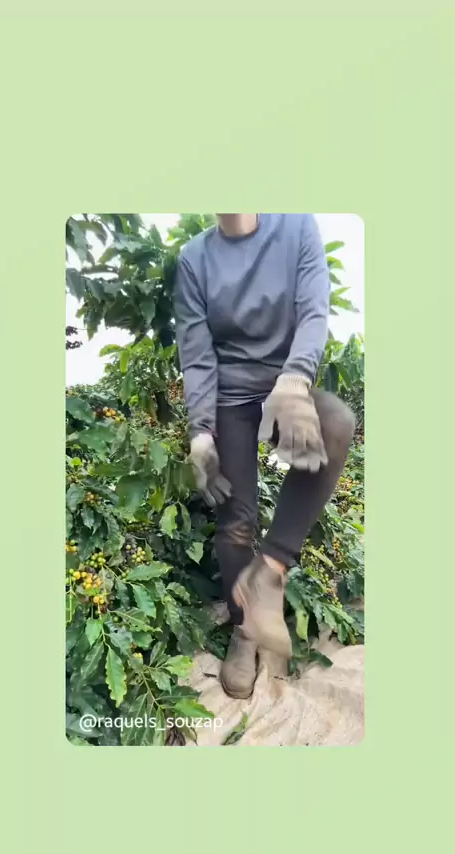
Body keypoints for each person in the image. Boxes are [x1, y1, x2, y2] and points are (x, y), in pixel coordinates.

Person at [173, 213, 355, 699]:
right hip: (231, 400)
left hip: (283, 390)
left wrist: (295, 380)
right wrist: (201, 432)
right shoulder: (194, 259)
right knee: (236, 521)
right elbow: (197, 355)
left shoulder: (296, 229)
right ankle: (244, 630)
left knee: (336, 424)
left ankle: (269, 574)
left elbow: (314, 311)